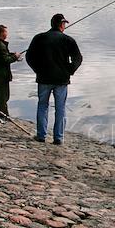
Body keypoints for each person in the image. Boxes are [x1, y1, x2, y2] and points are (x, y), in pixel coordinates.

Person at [26, 13, 82, 145]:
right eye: (64, 24)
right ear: (62, 25)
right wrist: (70, 70)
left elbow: (29, 57)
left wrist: (37, 69)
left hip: (43, 78)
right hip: (61, 80)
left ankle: (41, 135)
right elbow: (78, 58)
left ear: (52, 24)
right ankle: (58, 138)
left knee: (42, 106)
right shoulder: (68, 40)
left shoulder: (39, 38)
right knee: (60, 108)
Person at [0, 24, 23, 120]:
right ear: (1, 33)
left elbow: (3, 56)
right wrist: (15, 57)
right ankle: (2, 114)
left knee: (0, 94)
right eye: (5, 32)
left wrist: (13, 55)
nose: (6, 34)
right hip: (0, 75)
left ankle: (0, 113)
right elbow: (5, 60)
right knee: (3, 95)